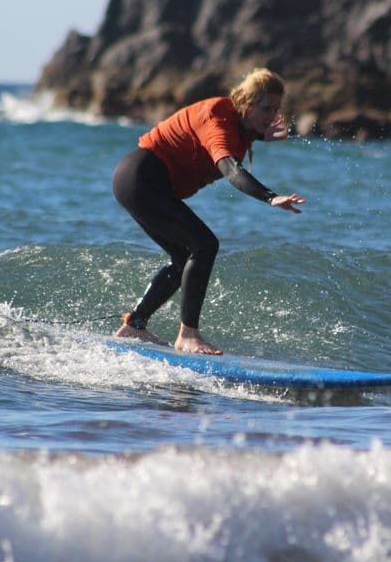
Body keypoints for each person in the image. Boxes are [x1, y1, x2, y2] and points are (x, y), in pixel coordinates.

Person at [112, 68, 305, 355]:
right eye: (266, 108)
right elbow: (230, 169)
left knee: (183, 256)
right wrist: (270, 197)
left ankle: (134, 326)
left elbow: (238, 134)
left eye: (276, 109)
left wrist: (261, 135)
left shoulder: (241, 125)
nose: (272, 115)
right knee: (204, 245)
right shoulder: (217, 116)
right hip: (141, 179)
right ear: (248, 103)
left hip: (141, 183)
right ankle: (188, 335)